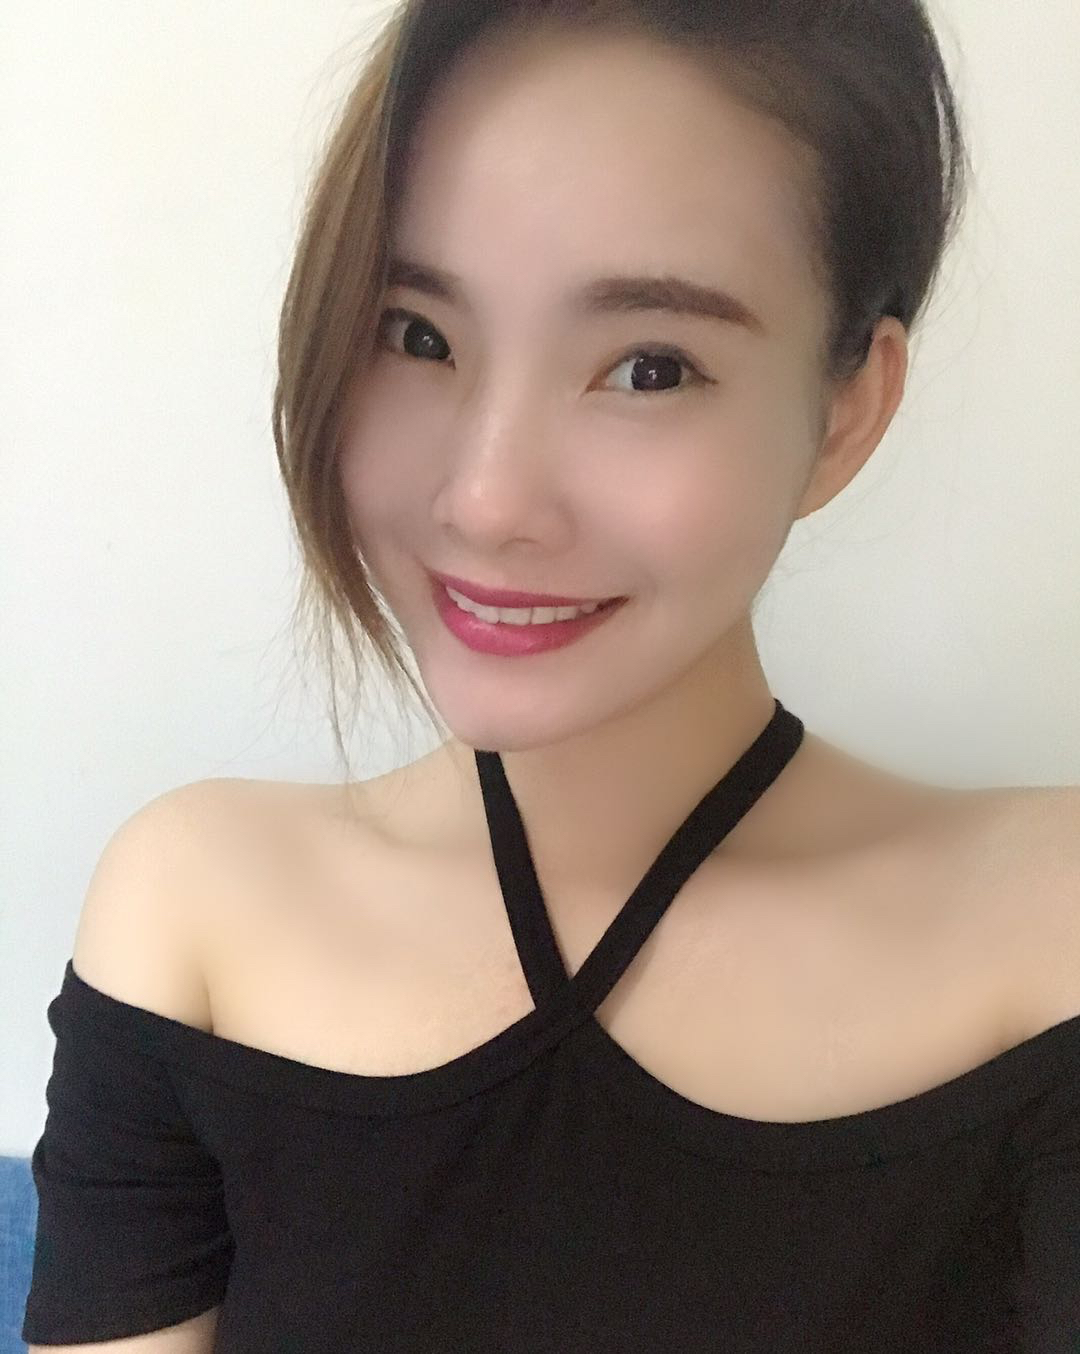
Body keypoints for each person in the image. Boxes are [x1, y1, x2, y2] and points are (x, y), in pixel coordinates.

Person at [22, 1, 1080, 1349]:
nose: (486, 500)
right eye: (416, 334)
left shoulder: (1044, 934)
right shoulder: (195, 911)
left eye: (649, 367)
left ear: (844, 410)